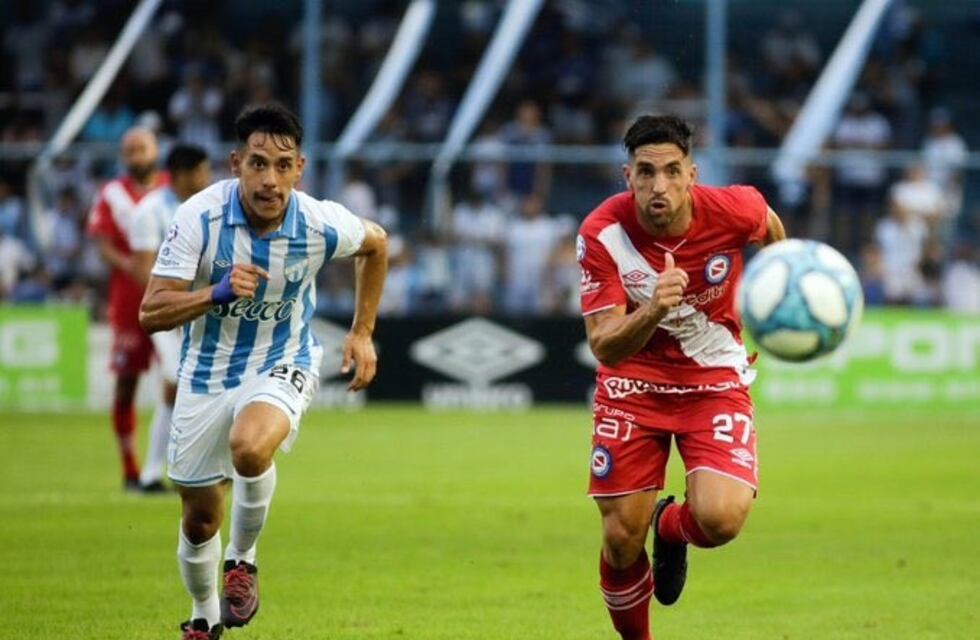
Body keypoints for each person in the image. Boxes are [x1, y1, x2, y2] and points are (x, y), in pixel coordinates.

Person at [139, 103, 388, 640]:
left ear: (300, 169)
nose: (269, 179)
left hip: (283, 360)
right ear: (236, 165)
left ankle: (243, 562)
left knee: (250, 446)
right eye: (257, 164)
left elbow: (377, 243)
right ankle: (204, 616)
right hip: (205, 373)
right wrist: (216, 292)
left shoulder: (319, 221)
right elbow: (151, 310)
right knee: (199, 518)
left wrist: (362, 331)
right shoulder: (198, 218)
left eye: (282, 165)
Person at [577, 115, 786, 640]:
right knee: (622, 538)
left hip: (714, 376)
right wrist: (650, 309)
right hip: (634, 385)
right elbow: (604, 343)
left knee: (720, 520)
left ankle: (670, 527)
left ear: (693, 173)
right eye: (646, 173)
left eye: (672, 171)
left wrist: (779, 291)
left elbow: (773, 232)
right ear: (628, 177)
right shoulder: (601, 232)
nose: (659, 186)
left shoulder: (736, 208)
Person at [86, 126, 169, 492]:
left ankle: (167, 465)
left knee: (180, 382)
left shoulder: (172, 189)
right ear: (123, 157)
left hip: (172, 299)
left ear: (156, 150)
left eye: (142, 148)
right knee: (126, 384)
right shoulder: (111, 194)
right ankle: (131, 468)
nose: (137, 156)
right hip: (129, 300)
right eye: (130, 150)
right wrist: (134, 267)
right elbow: (102, 245)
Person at [128, 144, 213, 490]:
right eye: (202, 172)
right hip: (168, 313)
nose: (207, 178)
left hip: (203, 309)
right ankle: (152, 471)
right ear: (182, 174)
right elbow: (143, 271)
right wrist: (178, 307)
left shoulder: (209, 207)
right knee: (175, 382)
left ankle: (168, 470)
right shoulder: (149, 211)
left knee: (184, 386)